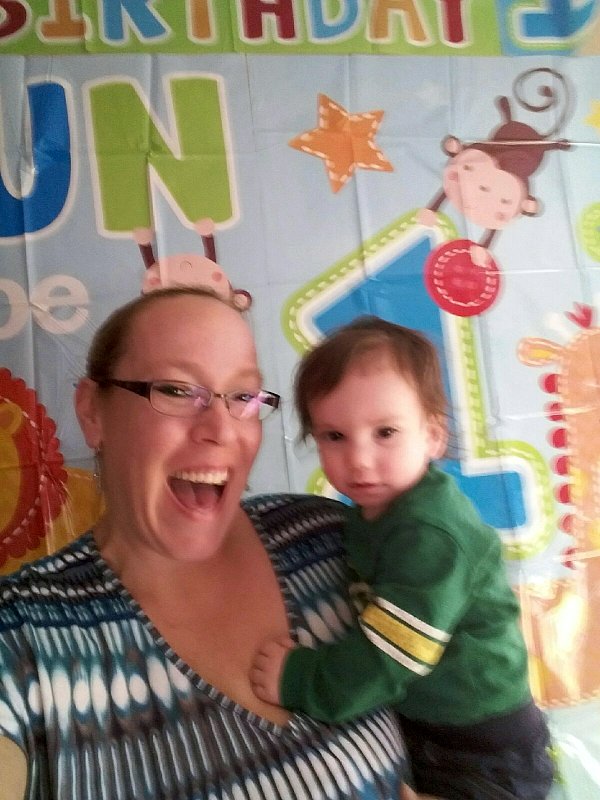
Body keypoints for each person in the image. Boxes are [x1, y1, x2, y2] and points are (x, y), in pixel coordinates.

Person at [0, 288, 417, 800]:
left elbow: (474, 699)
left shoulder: (331, 539)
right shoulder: (23, 635)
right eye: (177, 390)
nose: (221, 429)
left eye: (243, 397)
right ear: (93, 413)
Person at [250, 316, 555, 800]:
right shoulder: (374, 515)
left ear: (433, 435)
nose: (359, 459)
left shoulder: (430, 531)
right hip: (434, 725)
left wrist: (304, 679)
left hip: (484, 743)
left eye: (385, 432)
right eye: (334, 436)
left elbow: (395, 649)